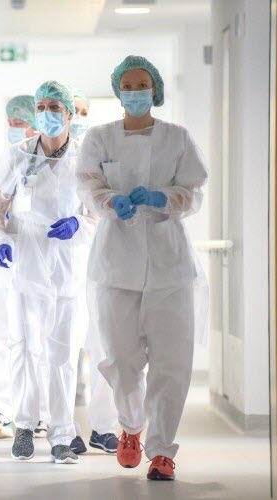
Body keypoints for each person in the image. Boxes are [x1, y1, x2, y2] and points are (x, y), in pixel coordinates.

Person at [77, 55, 208, 481]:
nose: (135, 92)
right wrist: (106, 201)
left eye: (142, 84)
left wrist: (164, 199)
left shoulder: (177, 138)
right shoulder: (99, 138)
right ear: (118, 91)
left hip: (169, 267)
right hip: (116, 264)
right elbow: (88, 186)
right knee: (119, 358)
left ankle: (163, 450)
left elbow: (192, 192)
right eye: (128, 85)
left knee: (172, 361)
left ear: (154, 89)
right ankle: (130, 427)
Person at [0, 81, 93, 465]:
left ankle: (62, 433)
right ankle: (25, 427)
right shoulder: (16, 156)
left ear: (67, 113)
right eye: (41, 106)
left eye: (54, 107)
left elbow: (97, 212)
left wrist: (79, 224)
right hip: (25, 259)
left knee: (63, 352)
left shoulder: (85, 160)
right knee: (23, 347)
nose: (47, 113)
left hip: (66, 263)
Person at [0, 96, 51, 439]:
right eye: (12, 123)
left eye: (22, 123)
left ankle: (40, 413)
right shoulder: (0, 166)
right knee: (4, 336)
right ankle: (0, 410)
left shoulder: (51, 166)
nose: (16, 129)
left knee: (41, 340)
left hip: (43, 264)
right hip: (6, 262)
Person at [65, 89, 122, 457]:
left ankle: (103, 428)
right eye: (75, 110)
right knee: (63, 350)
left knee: (104, 348)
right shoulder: (46, 157)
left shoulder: (104, 153)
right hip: (64, 268)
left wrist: (81, 223)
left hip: (101, 263)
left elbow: (108, 207)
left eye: (84, 110)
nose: (79, 116)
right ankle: (63, 427)